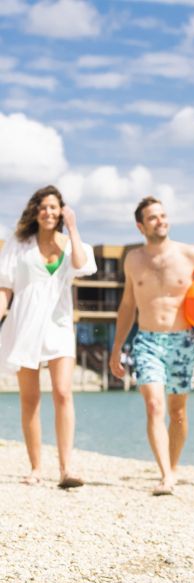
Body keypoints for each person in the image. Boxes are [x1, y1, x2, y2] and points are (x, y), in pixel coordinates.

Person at [110, 196, 194, 496]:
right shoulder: (133, 260)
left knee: (178, 412)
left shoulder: (190, 254)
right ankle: (166, 475)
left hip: (183, 341)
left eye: (163, 215)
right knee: (154, 405)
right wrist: (117, 346)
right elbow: (128, 305)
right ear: (140, 226)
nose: (161, 221)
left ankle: (173, 466)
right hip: (146, 341)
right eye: (153, 217)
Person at [0, 185, 97, 488]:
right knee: (30, 399)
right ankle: (35, 468)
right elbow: (5, 287)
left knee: (63, 392)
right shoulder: (19, 243)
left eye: (54, 207)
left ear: (61, 211)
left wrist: (73, 226)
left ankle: (66, 469)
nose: (48, 212)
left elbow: (82, 265)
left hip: (58, 326)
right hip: (24, 324)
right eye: (43, 207)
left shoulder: (70, 244)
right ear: (35, 211)